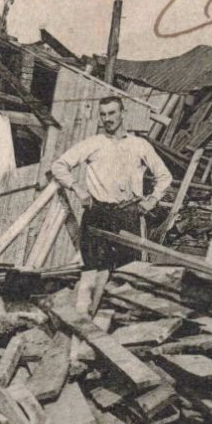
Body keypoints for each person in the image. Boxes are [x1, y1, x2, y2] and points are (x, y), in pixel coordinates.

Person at [48, 96, 172, 287]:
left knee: (128, 272)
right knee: (93, 272)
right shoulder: (93, 143)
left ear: (123, 114)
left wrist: (153, 199)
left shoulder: (139, 144)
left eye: (112, 113)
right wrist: (78, 189)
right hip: (98, 214)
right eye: (103, 114)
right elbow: (59, 166)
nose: (107, 118)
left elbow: (164, 176)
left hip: (128, 215)